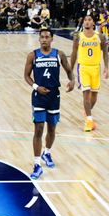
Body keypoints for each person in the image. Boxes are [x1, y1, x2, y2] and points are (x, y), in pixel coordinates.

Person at [23, 27, 74, 180]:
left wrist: (72, 80)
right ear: (39, 39)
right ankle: (37, 164)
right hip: (39, 96)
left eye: (47, 37)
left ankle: (47, 152)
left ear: (52, 39)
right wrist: (36, 87)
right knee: (38, 129)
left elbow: (69, 70)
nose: (44, 39)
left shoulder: (59, 54)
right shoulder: (33, 55)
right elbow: (26, 76)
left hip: (54, 96)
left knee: (52, 128)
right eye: (42, 37)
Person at [70, 14, 109, 132]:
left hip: (96, 68)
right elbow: (73, 53)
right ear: (83, 23)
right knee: (86, 94)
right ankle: (89, 120)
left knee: (94, 97)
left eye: (89, 20)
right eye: (85, 20)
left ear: (93, 23)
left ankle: (87, 112)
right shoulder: (78, 37)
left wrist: (106, 67)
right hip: (83, 68)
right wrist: (70, 70)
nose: (87, 22)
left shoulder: (100, 37)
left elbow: (105, 53)